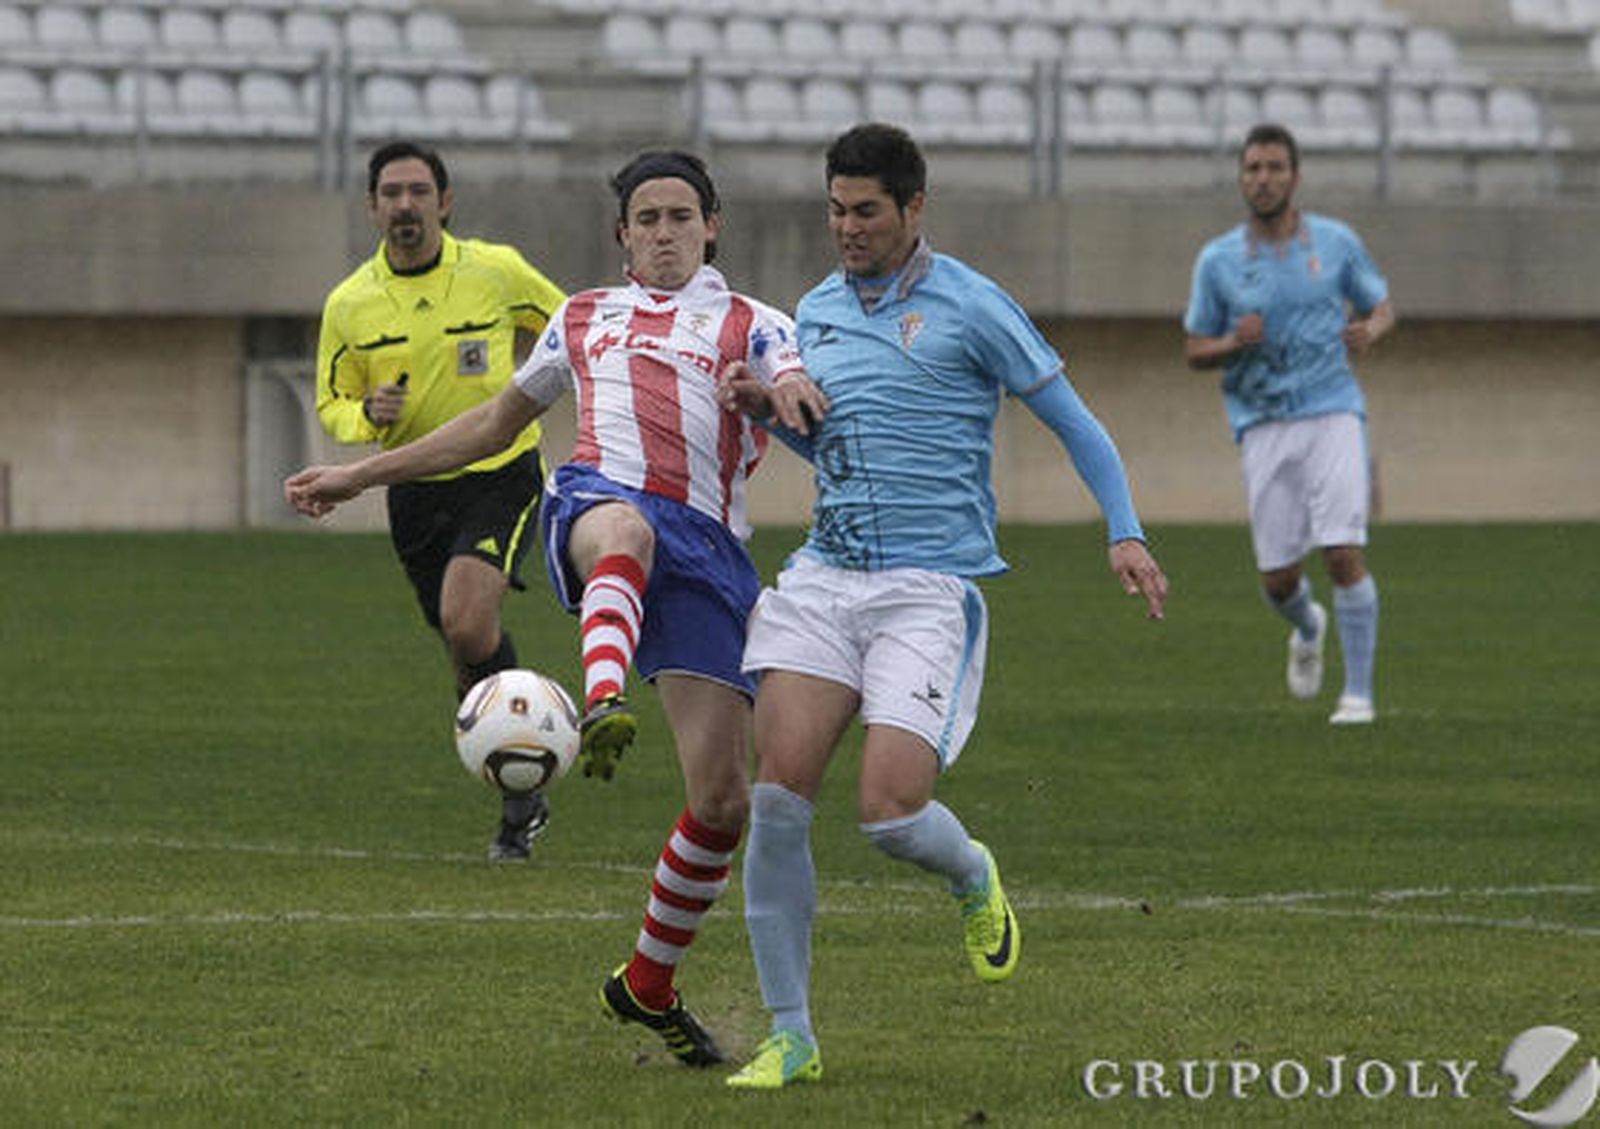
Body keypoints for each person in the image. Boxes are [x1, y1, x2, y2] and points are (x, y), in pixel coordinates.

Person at [287, 150, 828, 1068]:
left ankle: (645, 983)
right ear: (622, 235)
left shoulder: (756, 321)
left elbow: (793, 388)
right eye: (647, 219)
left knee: (725, 799)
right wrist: (358, 472)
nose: (664, 233)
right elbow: (492, 426)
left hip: (711, 556)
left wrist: (782, 397)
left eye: (680, 217)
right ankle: (602, 695)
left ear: (712, 227)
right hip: (595, 503)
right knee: (624, 527)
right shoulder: (582, 318)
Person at [715, 123, 1169, 1090]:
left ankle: (972, 873)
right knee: (778, 798)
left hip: (928, 590)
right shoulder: (817, 312)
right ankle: (790, 1033)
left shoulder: (973, 304)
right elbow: (828, 445)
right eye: (836, 210)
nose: (847, 228)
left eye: (866, 211)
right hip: (827, 579)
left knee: (887, 813)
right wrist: (766, 411)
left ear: (914, 208)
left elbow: (1076, 423)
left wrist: (1122, 529)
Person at [311, 140, 567, 860]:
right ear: (372, 207)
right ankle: (521, 786)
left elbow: (571, 327)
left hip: (501, 473)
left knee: (467, 613)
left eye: (418, 191)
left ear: (444, 202)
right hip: (413, 489)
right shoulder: (350, 303)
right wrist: (368, 416)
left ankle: (527, 770)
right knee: (463, 646)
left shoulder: (495, 271)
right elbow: (332, 401)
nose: (404, 205)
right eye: (390, 193)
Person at [1183, 123, 1395, 726]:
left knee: (1343, 552)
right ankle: (1308, 625)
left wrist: (1370, 331)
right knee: (1279, 579)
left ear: (1294, 177)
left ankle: (1358, 695)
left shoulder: (1335, 242)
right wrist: (1231, 341)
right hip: (1263, 421)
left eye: (1275, 167)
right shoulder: (1218, 260)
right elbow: (1194, 350)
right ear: (1242, 179)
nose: (1263, 178)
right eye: (1253, 168)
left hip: (1332, 409)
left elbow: (1381, 305)